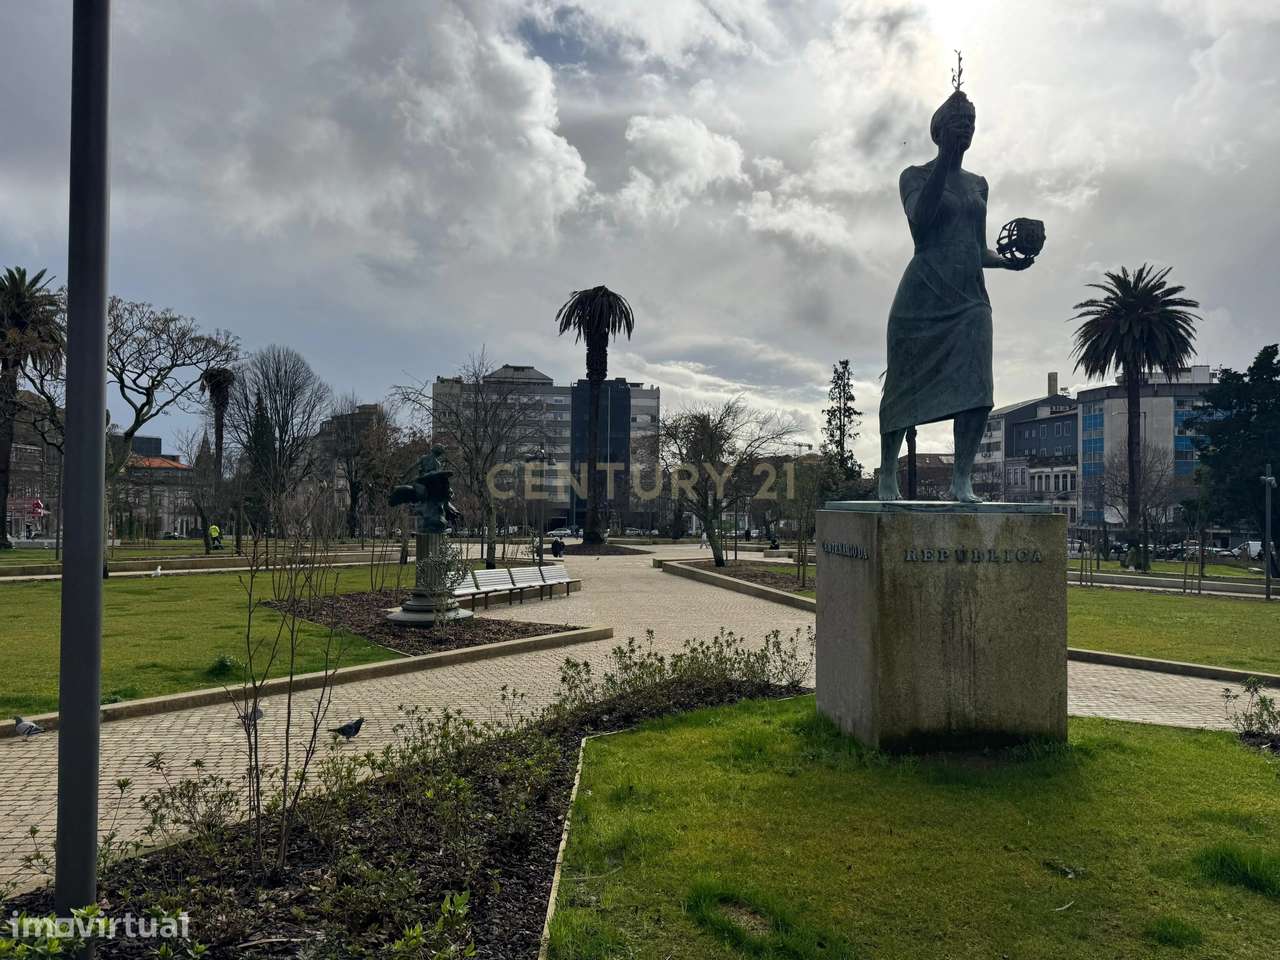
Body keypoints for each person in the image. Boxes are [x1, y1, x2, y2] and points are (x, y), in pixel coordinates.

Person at [877, 85, 1038, 503]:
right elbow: (921, 218)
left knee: (978, 388)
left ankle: (961, 480)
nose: (965, 128)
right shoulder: (913, 176)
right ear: (938, 130)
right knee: (902, 385)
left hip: (969, 299)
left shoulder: (979, 185)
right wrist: (944, 163)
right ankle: (888, 476)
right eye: (956, 122)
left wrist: (1007, 261)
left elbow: (975, 245)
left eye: (970, 123)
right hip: (922, 293)